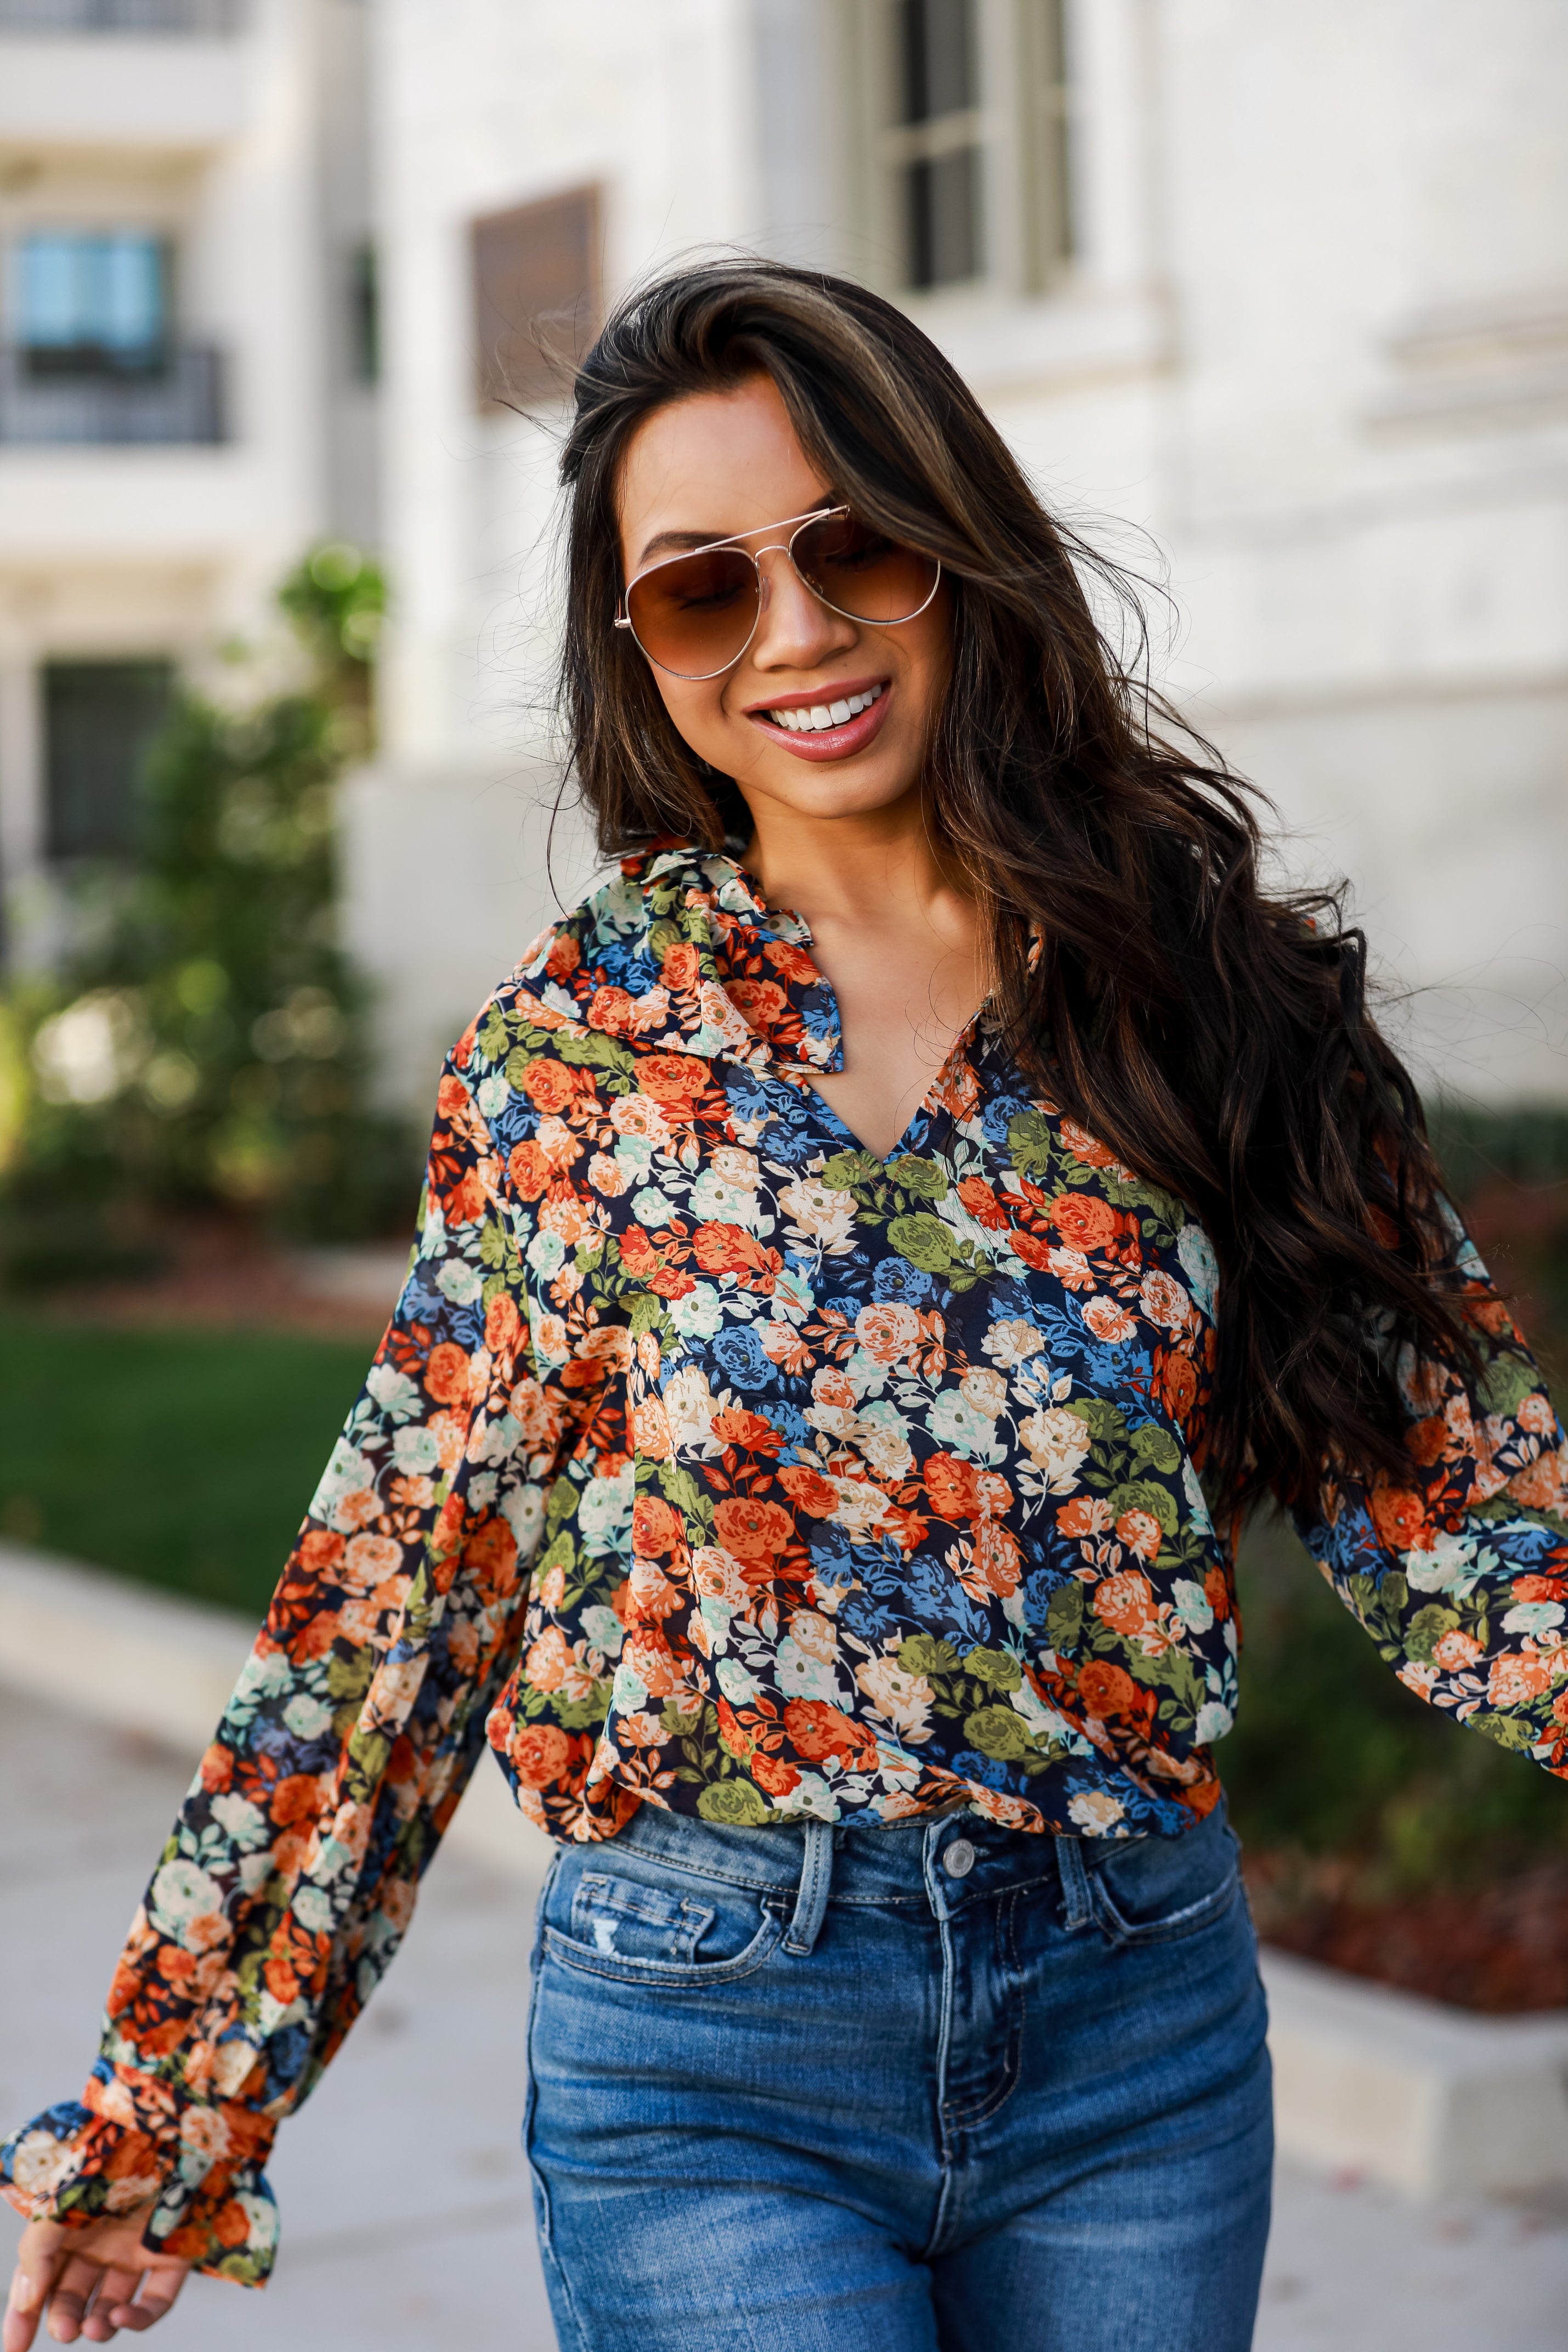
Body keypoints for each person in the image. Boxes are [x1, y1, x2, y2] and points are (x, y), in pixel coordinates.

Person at [5, 259, 1566, 2352]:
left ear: (955, 547)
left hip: (1137, 2044)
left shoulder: (1206, 998)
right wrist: (172, 2117)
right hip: (709, 2057)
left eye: (853, 548)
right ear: (633, 645)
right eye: (700, 589)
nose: (797, 631)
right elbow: (402, 1595)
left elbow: (1467, 1508)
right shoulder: (579, 1057)